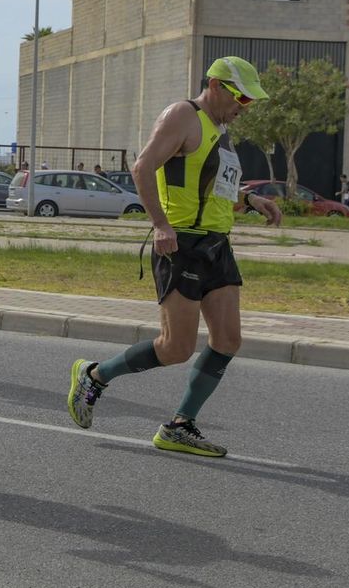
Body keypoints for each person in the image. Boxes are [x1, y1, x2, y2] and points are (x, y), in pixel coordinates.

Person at [65, 56, 283, 458]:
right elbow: (143, 168)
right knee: (176, 348)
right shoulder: (183, 115)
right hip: (180, 245)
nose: (243, 108)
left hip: (217, 245)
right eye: (242, 99)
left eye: (250, 102)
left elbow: (214, 186)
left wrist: (251, 199)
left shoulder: (219, 129)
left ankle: (180, 425)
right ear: (217, 86)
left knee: (228, 339)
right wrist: (162, 226)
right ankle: (95, 376)